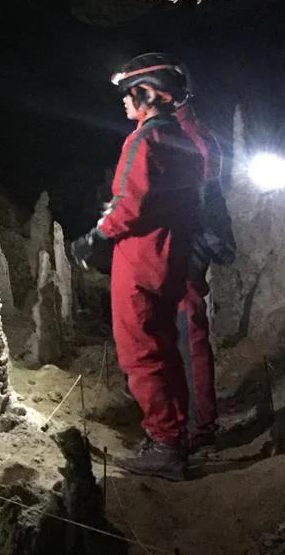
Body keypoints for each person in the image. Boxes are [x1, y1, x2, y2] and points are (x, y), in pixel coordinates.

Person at [71, 54, 203, 480]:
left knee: (140, 351)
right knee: (164, 348)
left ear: (146, 93)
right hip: (171, 254)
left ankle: (164, 446)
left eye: (129, 94)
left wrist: (96, 238)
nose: (124, 103)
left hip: (140, 258)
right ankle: (175, 435)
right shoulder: (181, 139)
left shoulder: (144, 140)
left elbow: (131, 202)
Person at [168, 58, 235, 453]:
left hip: (187, 242)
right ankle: (190, 419)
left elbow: (205, 196)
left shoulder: (189, 134)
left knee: (187, 333)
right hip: (183, 240)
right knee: (178, 333)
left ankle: (200, 425)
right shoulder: (184, 130)